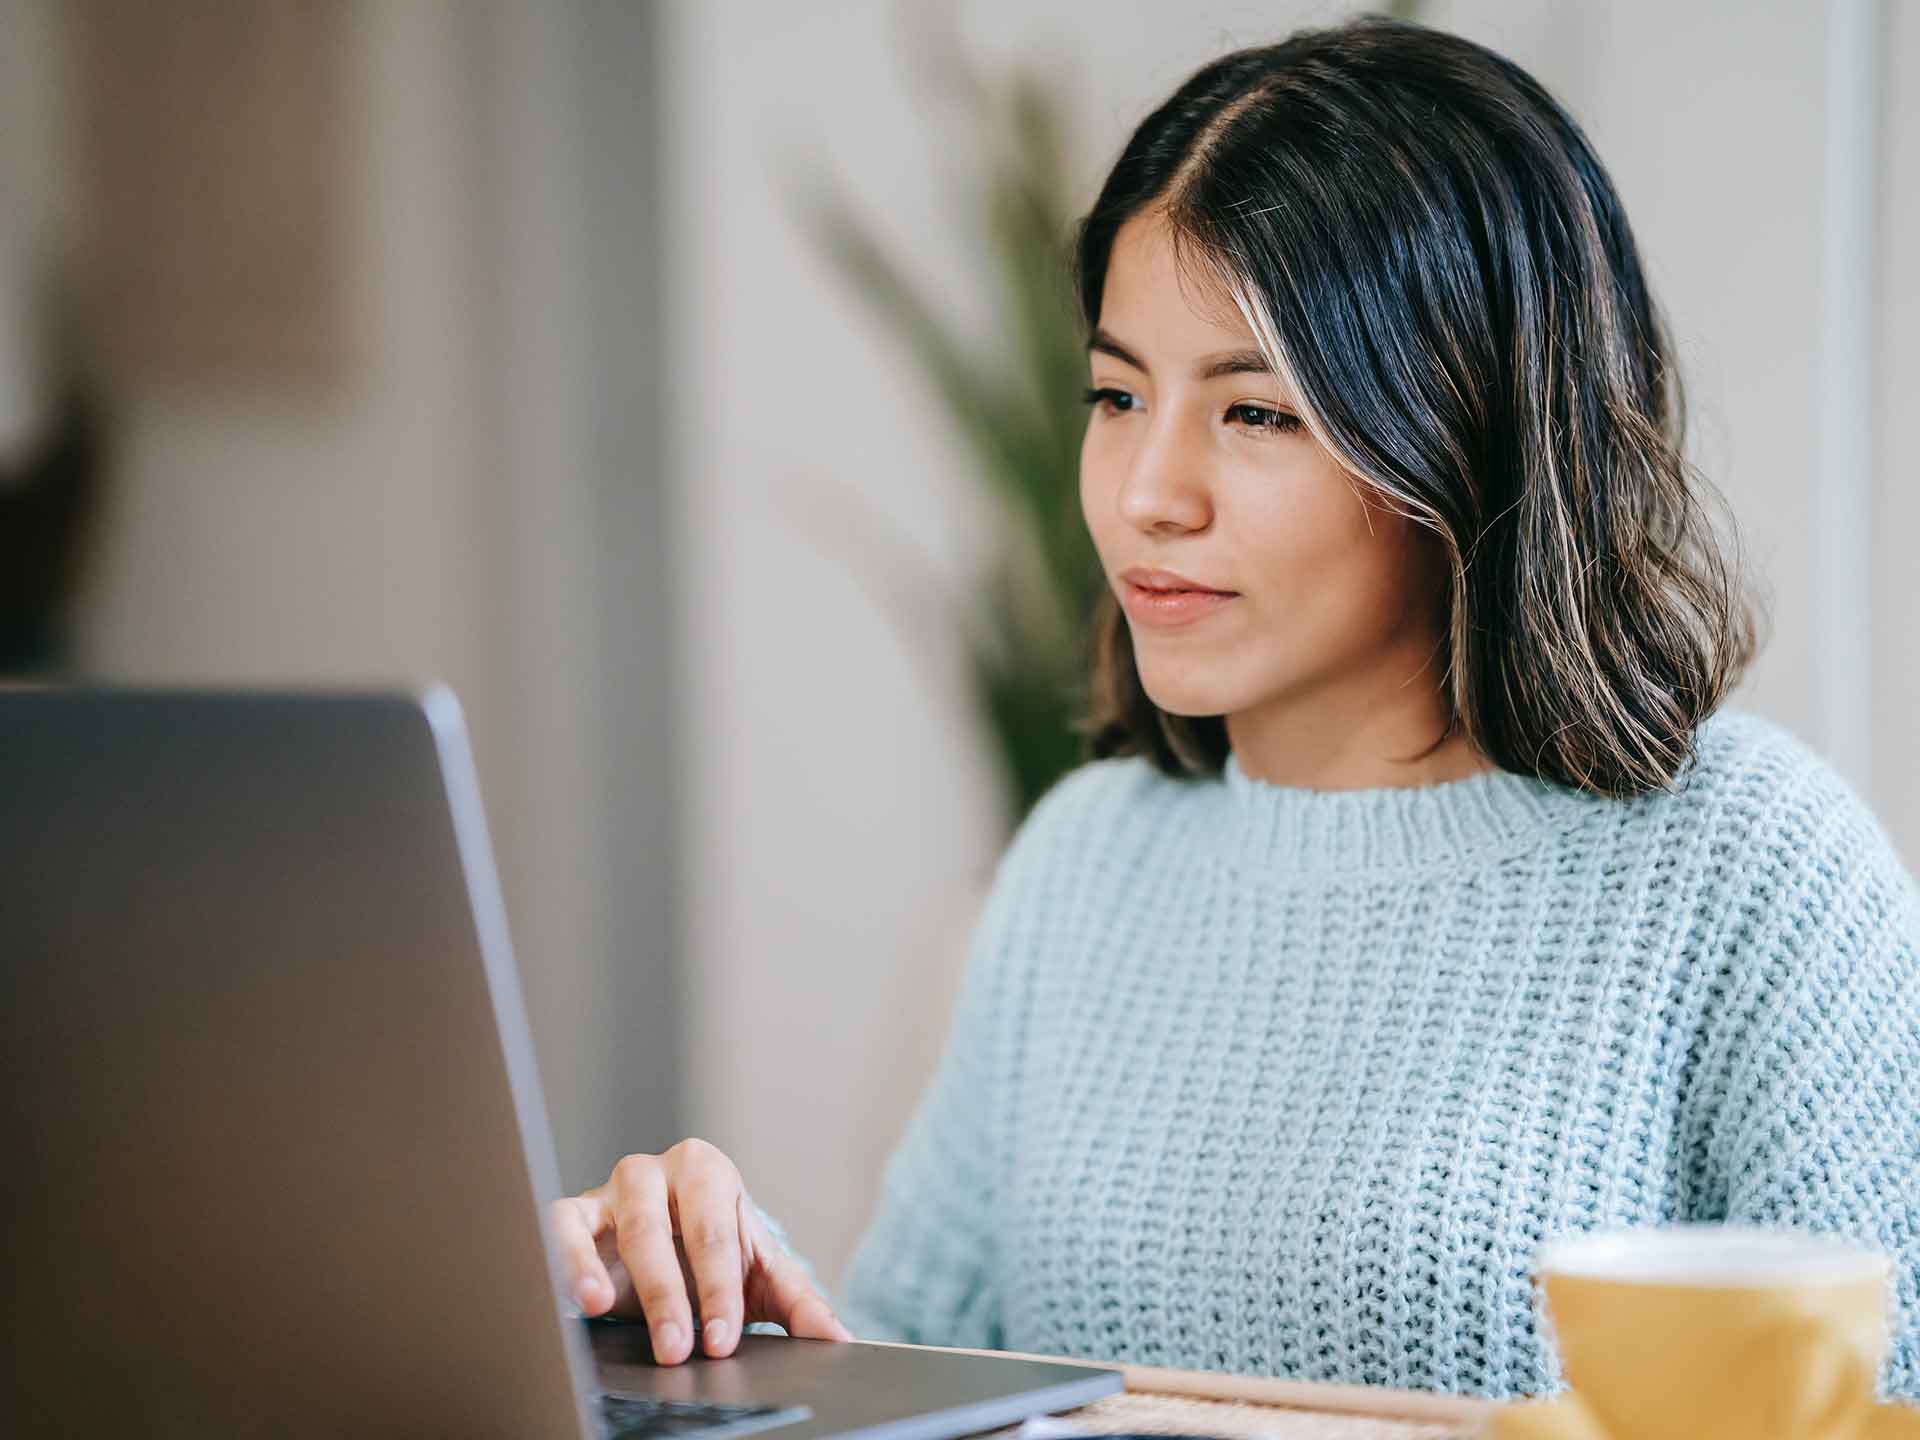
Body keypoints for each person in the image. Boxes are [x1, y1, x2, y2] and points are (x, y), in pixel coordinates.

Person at [548, 14, 1920, 1400]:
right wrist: (678, 1308)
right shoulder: (1087, 860)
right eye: (1115, 393)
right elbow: (916, 1384)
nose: (1148, 493)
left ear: (1468, 424)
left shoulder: (1753, 869)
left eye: (1254, 412)